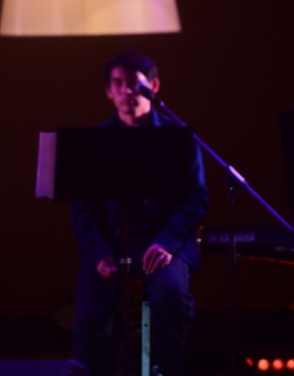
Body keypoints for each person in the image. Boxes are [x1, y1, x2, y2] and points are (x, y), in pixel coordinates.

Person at [71, 51, 209, 376]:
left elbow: (196, 198)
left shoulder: (178, 138)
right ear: (109, 91)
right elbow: (83, 207)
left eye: (134, 83)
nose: (126, 91)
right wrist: (98, 252)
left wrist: (167, 242)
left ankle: (170, 368)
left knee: (172, 297)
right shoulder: (97, 141)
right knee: (89, 313)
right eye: (117, 84)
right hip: (113, 243)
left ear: (154, 86)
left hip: (164, 244)